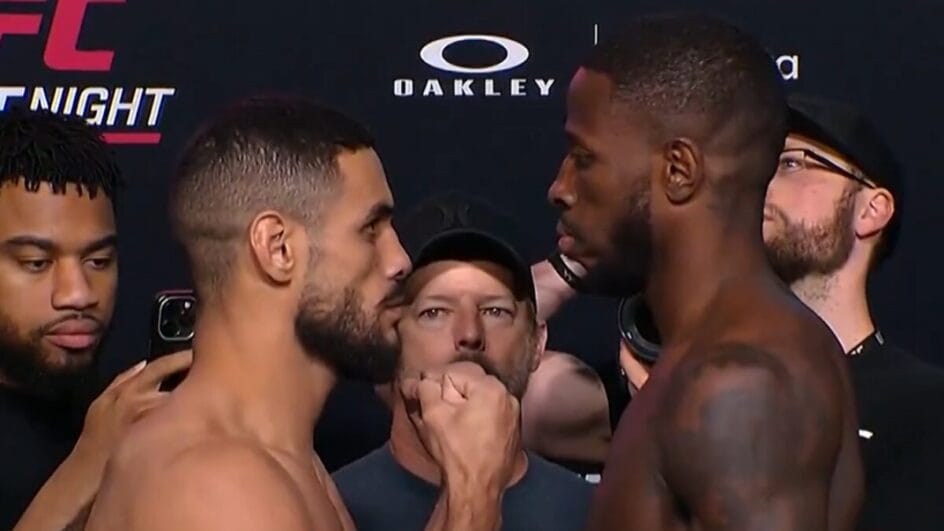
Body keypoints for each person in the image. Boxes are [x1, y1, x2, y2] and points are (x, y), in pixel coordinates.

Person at [84, 96, 519, 531]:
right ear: (278, 249)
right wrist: (473, 492)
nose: (400, 260)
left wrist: (467, 487)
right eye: (371, 229)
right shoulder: (212, 483)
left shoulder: (286, 459)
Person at [547, 13, 863, 530]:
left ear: (679, 171)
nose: (559, 187)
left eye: (583, 157)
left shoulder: (737, 385)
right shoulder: (737, 359)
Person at [334, 193, 594, 531]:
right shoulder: (331, 513)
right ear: (388, 340)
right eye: (435, 312)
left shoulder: (602, 514)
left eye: (494, 311)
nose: (470, 333)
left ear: (537, 343)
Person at [0, 109, 191, 531]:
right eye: (36, 262)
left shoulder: (122, 413)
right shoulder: (106, 435)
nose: (79, 294)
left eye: (98, 260)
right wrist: (89, 462)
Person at [765, 93, 944, 531]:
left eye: (790, 163)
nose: (758, 183)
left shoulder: (926, 407)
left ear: (871, 210)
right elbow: (566, 416)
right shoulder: (683, 374)